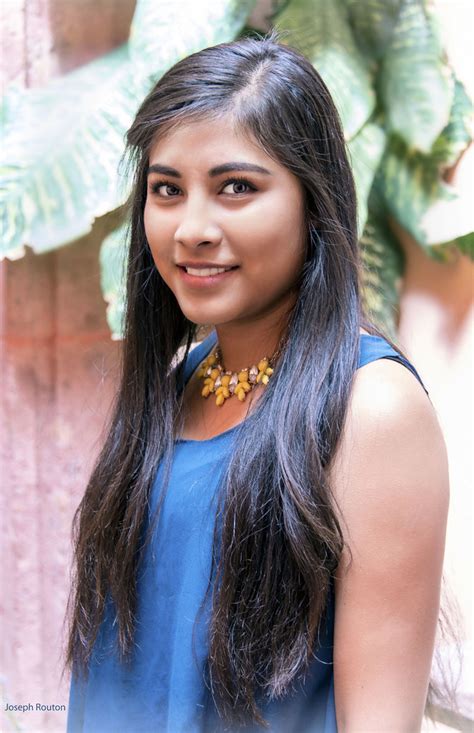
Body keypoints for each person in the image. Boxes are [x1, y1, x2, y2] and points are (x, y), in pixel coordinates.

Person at [64, 30, 450, 732]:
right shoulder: (181, 380)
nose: (192, 229)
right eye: (167, 190)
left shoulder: (372, 408)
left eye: (236, 187)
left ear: (314, 201)